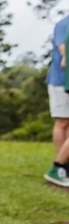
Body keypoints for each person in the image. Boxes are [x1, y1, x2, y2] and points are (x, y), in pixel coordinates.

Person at [44, 13, 69, 187]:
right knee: (62, 122)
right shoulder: (64, 24)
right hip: (61, 82)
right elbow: (64, 50)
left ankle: (63, 166)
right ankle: (58, 166)